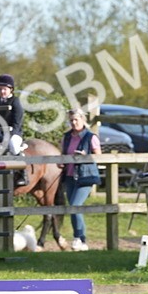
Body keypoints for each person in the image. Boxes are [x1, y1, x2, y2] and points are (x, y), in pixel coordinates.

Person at [59, 108, 102, 252]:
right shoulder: (66, 137)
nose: (73, 122)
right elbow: (63, 154)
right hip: (70, 176)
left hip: (86, 176)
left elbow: (99, 157)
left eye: (76, 119)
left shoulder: (91, 137)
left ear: (83, 120)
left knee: (75, 206)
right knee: (73, 208)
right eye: (71, 120)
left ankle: (79, 238)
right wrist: (61, 162)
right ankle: (80, 239)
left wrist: (85, 155)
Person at [0, 73, 29, 187]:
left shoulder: (15, 101)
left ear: (11, 89)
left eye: (4, 89)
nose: (2, 92)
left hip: (14, 132)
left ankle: (22, 173)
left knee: (13, 144)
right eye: (0, 89)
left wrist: (9, 135)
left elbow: (17, 122)